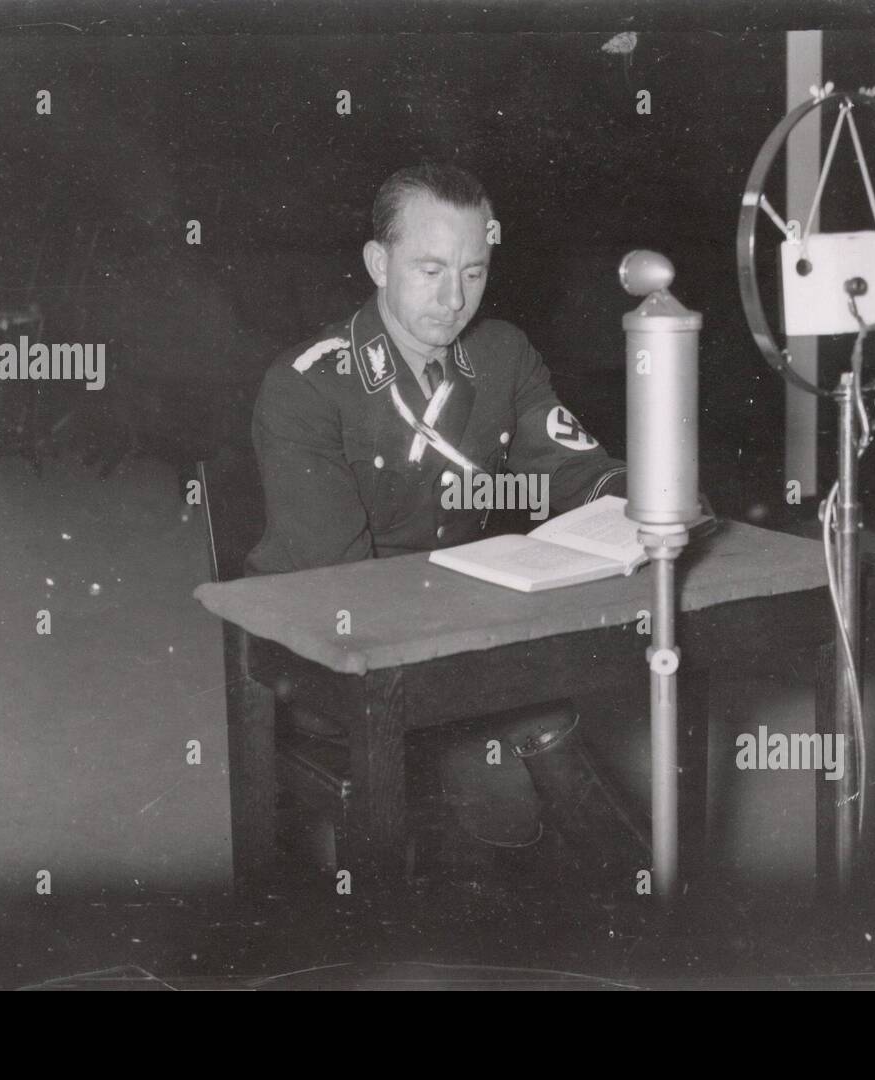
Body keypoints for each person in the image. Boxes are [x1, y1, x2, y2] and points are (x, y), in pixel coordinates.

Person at [247, 163, 648, 877]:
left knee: (537, 725)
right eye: (429, 269)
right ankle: (632, 911)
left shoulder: (501, 356)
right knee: (534, 727)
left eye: (473, 271)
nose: (453, 297)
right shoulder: (308, 384)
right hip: (329, 655)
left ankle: (608, 910)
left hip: (464, 637)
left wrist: (646, 501)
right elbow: (339, 585)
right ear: (378, 262)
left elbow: (579, 470)